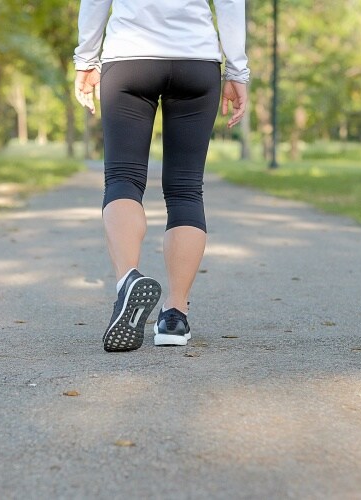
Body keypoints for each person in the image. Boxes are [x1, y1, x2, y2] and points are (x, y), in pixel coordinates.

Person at [73, 0, 249, 352]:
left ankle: (127, 280)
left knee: (123, 178)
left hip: (129, 59)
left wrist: (86, 59)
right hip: (196, 61)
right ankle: (174, 316)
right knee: (185, 190)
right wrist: (237, 71)